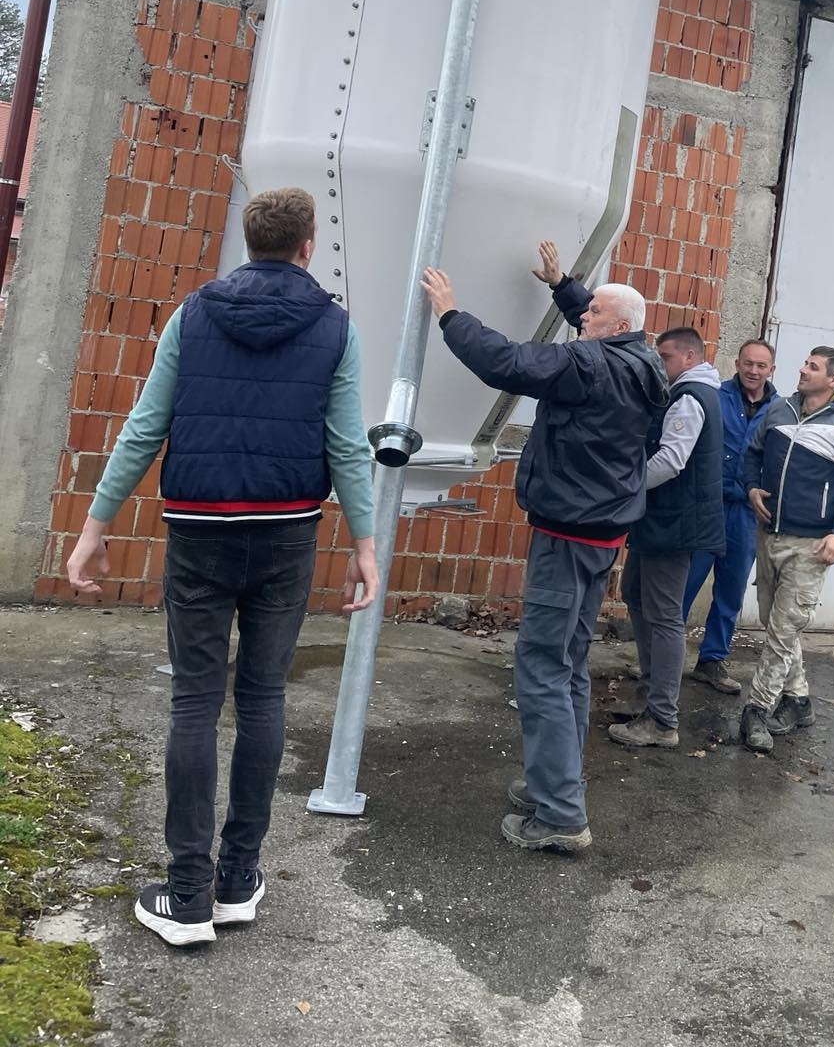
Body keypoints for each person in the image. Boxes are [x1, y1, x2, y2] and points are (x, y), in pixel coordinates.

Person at [65, 188, 379, 946]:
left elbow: (145, 426)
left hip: (199, 532)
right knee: (263, 697)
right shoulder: (336, 328)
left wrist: (94, 526)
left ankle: (186, 896)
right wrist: (366, 545)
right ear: (308, 247)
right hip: (287, 534)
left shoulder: (194, 313)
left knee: (195, 705)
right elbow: (345, 446)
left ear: (249, 243)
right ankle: (239, 883)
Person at [422, 247, 668, 853]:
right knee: (569, 663)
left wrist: (451, 314)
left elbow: (508, 362)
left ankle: (559, 815)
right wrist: (565, 286)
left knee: (541, 669)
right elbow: (598, 316)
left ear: (615, 328)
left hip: (568, 536)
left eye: (592, 316)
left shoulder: (589, 365)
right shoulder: (643, 362)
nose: (582, 320)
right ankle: (552, 782)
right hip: (601, 534)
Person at [738, 346, 834, 754]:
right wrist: (750, 487)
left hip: (811, 545)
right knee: (774, 621)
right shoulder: (778, 410)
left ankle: (757, 710)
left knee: (783, 629)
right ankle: (798, 701)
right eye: (804, 363)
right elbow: (753, 454)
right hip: (770, 534)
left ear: (833, 379)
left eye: (812, 367)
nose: (802, 369)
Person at [608, 326, 723, 750]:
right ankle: (649, 694)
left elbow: (671, 461)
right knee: (635, 594)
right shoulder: (687, 392)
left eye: (667, 358)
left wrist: (623, 486)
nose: (661, 365)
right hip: (659, 519)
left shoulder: (690, 397)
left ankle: (662, 720)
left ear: (690, 358)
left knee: (664, 615)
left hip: (675, 524)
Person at [682, 339, 777, 696]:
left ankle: (712, 660)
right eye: (748, 363)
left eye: (761, 366)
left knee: (731, 590)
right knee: (685, 583)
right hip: (707, 506)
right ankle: (661, 658)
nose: (754, 371)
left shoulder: (780, 410)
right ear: (737, 363)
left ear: (771, 370)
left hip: (747, 513)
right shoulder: (715, 397)